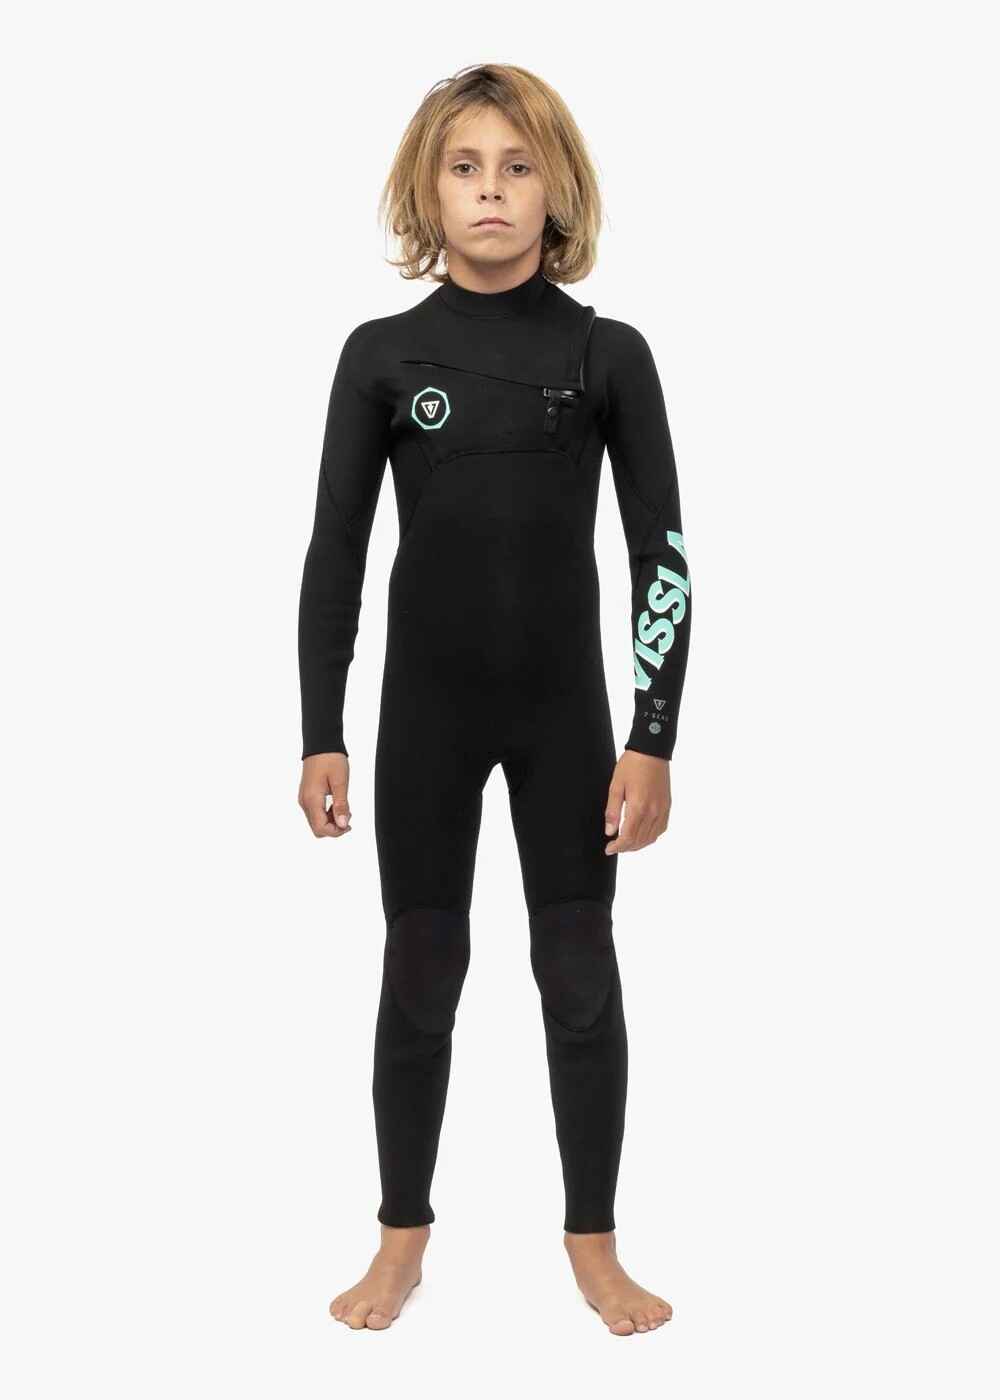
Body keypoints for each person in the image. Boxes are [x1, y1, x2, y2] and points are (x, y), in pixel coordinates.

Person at [297, 63, 691, 1337]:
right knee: (421, 967)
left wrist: (652, 737)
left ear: (555, 188)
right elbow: (334, 553)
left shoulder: (605, 354)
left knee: (578, 972)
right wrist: (319, 730)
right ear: (427, 187)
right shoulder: (379, 356)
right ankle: (400, 1237)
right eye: (464, 167)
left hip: (565, 717)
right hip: (426, 715)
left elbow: (662, 555)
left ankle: (594, 1243)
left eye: (517, 167)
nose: (490, 191)